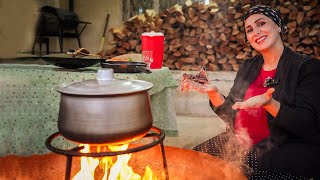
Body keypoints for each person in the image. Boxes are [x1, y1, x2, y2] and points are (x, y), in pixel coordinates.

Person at [182, 4, 320, 179]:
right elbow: (233, 117)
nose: (256, 32)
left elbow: (307, 125)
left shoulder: (307, 67)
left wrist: (269, 104)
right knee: (192, 159)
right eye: (249, 29)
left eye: (261, 23)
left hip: (285, 150)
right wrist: (214, 94)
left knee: (237, 167)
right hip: (241, 141)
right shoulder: (248, 67)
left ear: (278, 26)